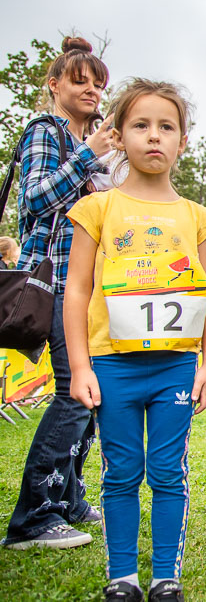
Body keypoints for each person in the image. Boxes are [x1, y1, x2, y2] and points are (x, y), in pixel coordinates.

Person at [63, 78, 206, 602]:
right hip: (113, 366)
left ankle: (165, 578)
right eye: (141, 125)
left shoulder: (196, 217)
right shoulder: (97, 209)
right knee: (121, 470)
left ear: (182, 141)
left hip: (176, 365)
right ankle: (123, 578)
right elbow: (77, 290)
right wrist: (82, 366)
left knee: (168, 471)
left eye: (167, 127)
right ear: (119, 135)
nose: (154, 136)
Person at [3, 36, 113, 551]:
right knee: (75, 390)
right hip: (56, 281)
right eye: (79, 81)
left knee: (91, 396)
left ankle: (67, 497)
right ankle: (32, 519)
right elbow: (36, 198)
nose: (91, 90)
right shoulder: (45, 132)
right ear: (54, 85)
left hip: (91, 286)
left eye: (97, 84)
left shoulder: (93, 145)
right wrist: (87, 157)